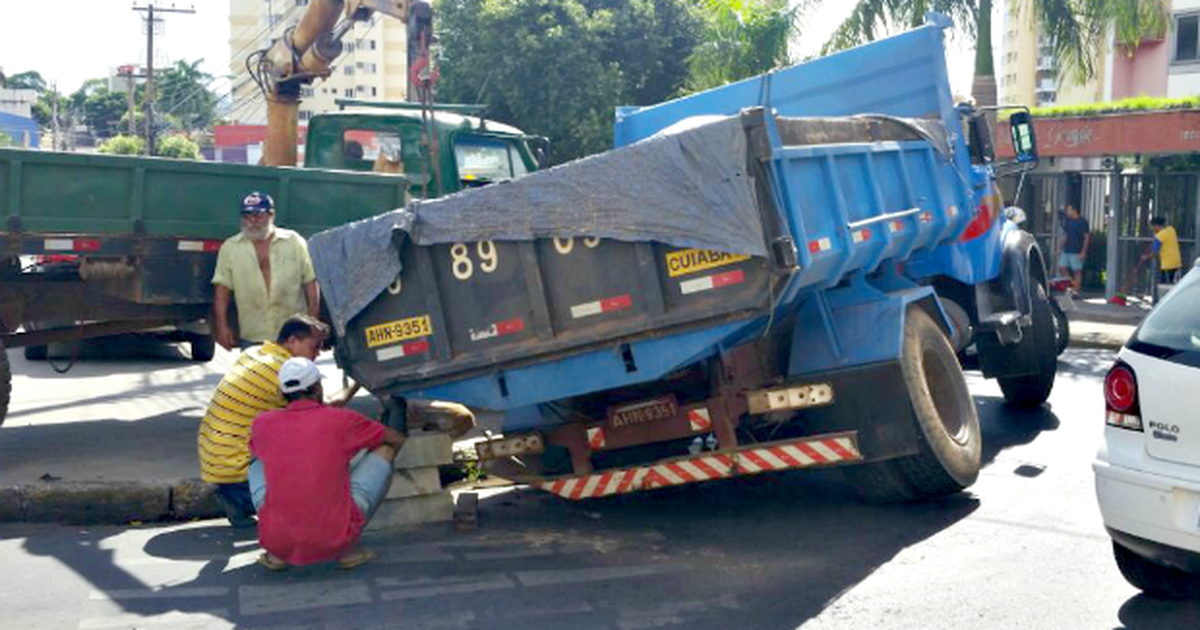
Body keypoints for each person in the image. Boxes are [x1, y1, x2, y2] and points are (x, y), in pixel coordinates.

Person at [197, 314, 358, 527]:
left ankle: (235, 497)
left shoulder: (255, 353)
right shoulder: (282, 371)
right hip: (235, 468)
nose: (317, 354)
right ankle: (244, 500)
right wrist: (358, 382)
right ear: (292, 341)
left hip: (214, 461)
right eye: (314, 347)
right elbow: (327, 406)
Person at [249, 357, 406, 571]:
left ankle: (277, 556)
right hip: (335, 537)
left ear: (283, 393)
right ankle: (350, 550)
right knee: (385, 450)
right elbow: (395, 438)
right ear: (317, 388)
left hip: (276, 539)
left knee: (257, 460)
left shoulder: (262, 423)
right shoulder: (342, 419)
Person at [212, 191, 320, 350]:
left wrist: (313, 322)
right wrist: (222, 327)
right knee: (255, 376)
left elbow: (311, 283)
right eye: (247, 216)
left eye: (258, 215)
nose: (252, 221)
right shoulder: (230, 248)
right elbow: (222, 291)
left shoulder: (293, 242)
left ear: (271, 215)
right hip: (253, 336)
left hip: (294, 336)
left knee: (293, 375)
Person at [1057, 203, 1090, 292]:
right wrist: (1060, 247)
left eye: (1069, 210)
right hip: (1066, 249)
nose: (1067, 212)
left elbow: (1087, 237)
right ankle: (1072, 284)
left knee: (1077, 271)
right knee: (1062, 267)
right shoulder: (1068, 221)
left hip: (1077, 250)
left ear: (1074, 211)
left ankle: (1075, 291)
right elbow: (1065, 235)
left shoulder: (1083, 221)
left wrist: (1083, 252)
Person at [1141, 216, 1183, 284]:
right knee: (1173, 284)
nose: (1152, 229)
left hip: (1167, 265)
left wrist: (1146, 257)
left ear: (1156, 226)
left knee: (1165, 285)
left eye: (1153, 227)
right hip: (1177, 262)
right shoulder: (1171, 229)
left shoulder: (1159, 236)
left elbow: (1154, 253)